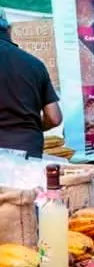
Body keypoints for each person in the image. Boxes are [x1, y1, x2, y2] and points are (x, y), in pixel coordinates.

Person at [0, 8, 63, 158]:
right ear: (9, 30)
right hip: (28, 150)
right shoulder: (35, 64)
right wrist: (29, 127)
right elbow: (54, 118)